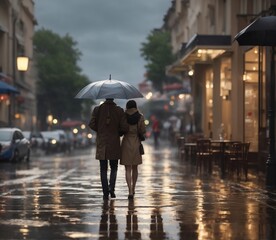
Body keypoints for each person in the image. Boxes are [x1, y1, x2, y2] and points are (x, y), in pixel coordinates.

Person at [89, 98, 129, 200]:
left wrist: (100, 130)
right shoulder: (119, 111)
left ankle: (105, 192)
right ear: (113, 98)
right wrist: (117, 132)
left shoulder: (97, 110)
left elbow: (92, 124)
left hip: (102, 143)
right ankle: (112, 188)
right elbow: (124, 127)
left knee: (103, 169)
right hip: (114, 143)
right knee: (114, 168)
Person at [120, 100, 146, 199]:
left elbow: (121, 129)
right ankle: (134, 188)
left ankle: (129, 190)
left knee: (127, 169)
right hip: (136, 142)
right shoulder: (140, 116)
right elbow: (143, 130)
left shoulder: (123, 116)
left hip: (126, 142)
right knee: (135, 167)